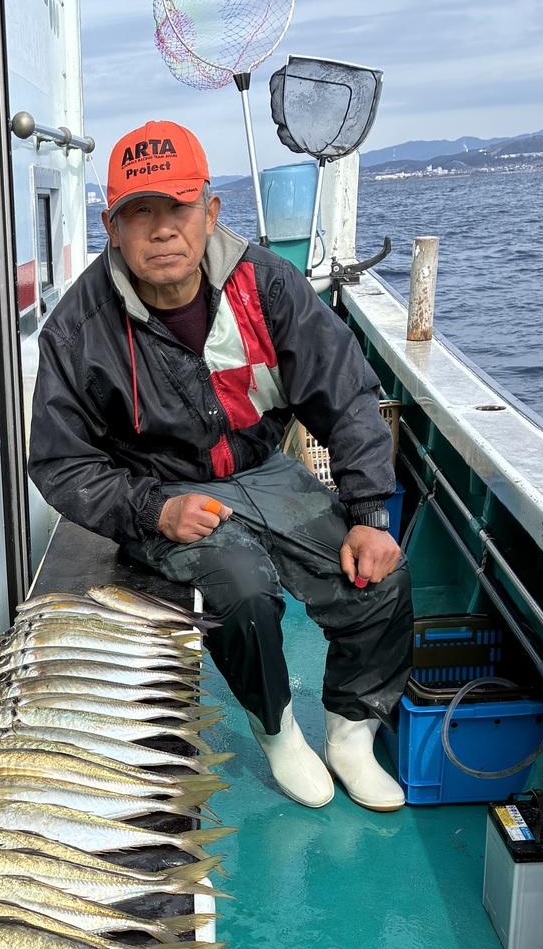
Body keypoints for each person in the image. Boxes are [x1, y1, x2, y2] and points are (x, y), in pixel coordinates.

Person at [27, 120, 412, 811]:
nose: (162, 230)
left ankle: (352, 734)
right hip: (162, 490)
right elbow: (61, 462)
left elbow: (347, 395)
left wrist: (368, 512)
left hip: (264, 469)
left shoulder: (267, 285)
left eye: (178, 207)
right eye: (138, 212)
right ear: (111, 228)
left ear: (210, 213)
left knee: (379, 574)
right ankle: (278, 730)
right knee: (242, 587)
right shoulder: (78, 328)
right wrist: (152, 509)